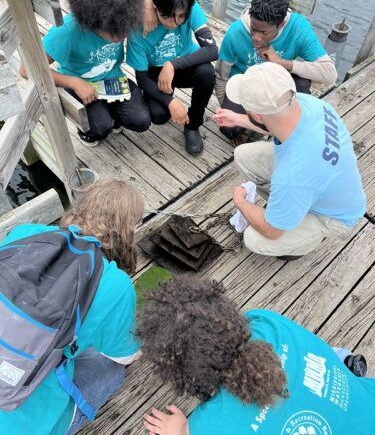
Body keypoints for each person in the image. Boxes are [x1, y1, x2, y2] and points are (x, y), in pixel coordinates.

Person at [138, 276, 375, 435]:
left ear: (182, 372)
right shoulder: (266, 322)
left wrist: (179, 429)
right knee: (332, 356)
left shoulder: (210, 423)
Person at [0, 178, 143, 434]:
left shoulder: (24, 233)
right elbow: (125, 356)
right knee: (110, 369)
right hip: (26, 425)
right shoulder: (116, 285)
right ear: (128, 229)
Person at [214, 62, 366, 259]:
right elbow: (274, 123)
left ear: (256, 115)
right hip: (327, 181)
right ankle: (287, 210)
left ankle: (305, 231)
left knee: (255, 238)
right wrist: (239, 119)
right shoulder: (308, 103)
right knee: (243, 156)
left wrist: (239, 200)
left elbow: (271, 231)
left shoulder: (293, 174)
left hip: (334, 215)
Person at [20, 0, 155, 147]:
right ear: (92, 21)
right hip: (79, 82)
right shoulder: (66, 31)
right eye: (114, 32)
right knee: (101, 128)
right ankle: (91, 129)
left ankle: (113, 115)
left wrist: (147, 5)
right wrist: (74, 82)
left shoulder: (122, 13)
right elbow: (26, 70)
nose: (121, 36)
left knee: (141, 121)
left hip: (112, 79)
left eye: (125, 28)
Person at [215, 0, 337, 144]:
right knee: (228, 128)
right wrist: (228, 111)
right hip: (245, 85)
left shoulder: (298, 28)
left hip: (276, 86)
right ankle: (260, 125)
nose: (256, 38)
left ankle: (282, 127)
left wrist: (281, 62)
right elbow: (221, 75)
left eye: (264, 33)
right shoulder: (236, 32)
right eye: (253, 29)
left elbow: (329, 74)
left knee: (302, 82)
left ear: (281, 25)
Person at [126, 0, 218, 155]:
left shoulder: (189, 7)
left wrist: (172, 65)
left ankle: (193, 126)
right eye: (167, 16)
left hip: (182, 65)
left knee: (207, 73)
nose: (175, 22)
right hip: (153, 72)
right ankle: (163, 98)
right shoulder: (138, 28)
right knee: (159, 116)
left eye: (181, 16)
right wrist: (170, 101)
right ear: (154, 5)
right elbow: (142, 78)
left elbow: (212, 50)